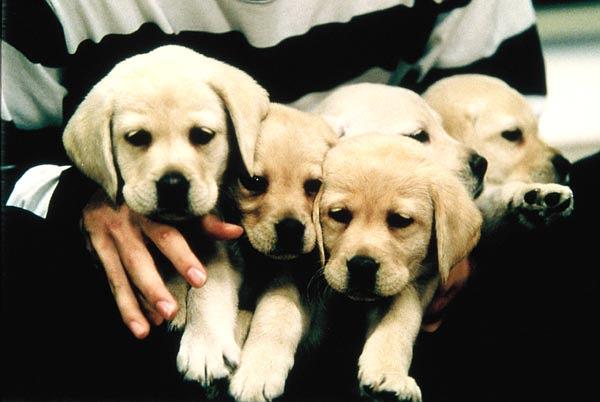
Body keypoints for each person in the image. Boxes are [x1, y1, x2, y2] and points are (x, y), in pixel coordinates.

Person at [3, 1, 577, 401]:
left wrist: (456, 235)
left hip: (396, 246)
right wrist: (83, 197)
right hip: (135, 276)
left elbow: (498, 133)